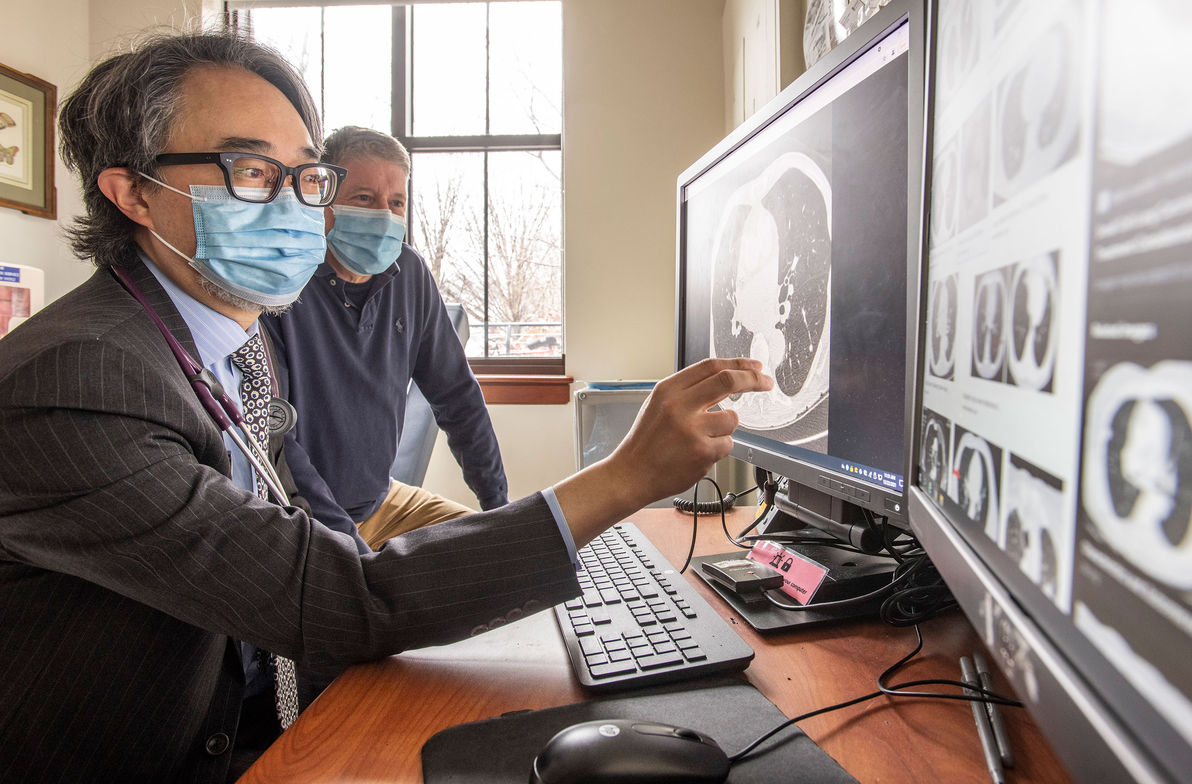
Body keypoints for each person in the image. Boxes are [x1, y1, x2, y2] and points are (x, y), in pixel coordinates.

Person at [0, 29, 771, 783]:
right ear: (133, 191)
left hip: (281, 684)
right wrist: (624, 477)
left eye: (304, 177)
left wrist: (475, 531)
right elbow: (331, 593)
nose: (298, 205)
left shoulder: (239, 340)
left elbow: (326, 490)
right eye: (250, 172)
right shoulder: (80, 380)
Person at [261, 126, 503, 551]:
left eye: (396, 203)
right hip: (303, 523)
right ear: (322, 197)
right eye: (364, 199)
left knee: (506, 555)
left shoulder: (410, 274)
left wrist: (498, 508)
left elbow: (458, 398)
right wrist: (353, 551)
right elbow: (280, 443)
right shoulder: (279, 284)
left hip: (384, 501)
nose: (384, 215)